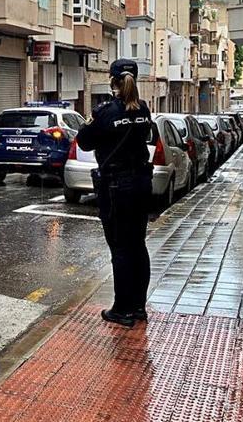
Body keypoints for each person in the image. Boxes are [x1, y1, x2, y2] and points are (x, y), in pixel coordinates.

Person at [76, 59, 153, 328]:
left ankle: (122, 309)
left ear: (112, 81)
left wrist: (92, 119)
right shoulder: (143, 109)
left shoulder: (106, 112)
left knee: (120, 248)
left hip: (117, 187)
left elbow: (83, 141)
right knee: (137, 246)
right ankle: (138, 307)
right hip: (142, 183)